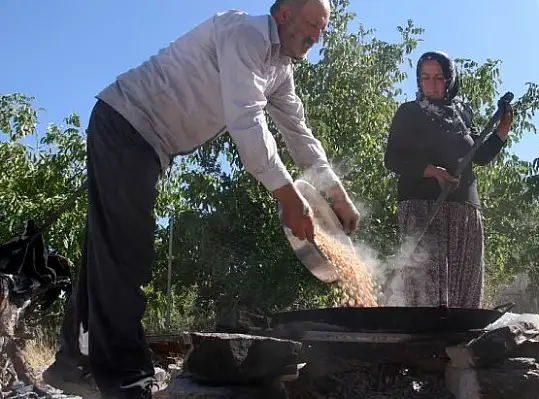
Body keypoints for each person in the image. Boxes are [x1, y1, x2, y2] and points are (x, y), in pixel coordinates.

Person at [41, 0, 360, 397]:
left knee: (106, 254)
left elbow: (300, 134)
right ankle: (125, 379)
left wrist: (338, 196)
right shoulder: (244, 34)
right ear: (284, 15)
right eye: (312, 25)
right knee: (127, 254)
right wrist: (289, 197)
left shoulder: (279, 69)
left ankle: (72, 364)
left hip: (146, 143)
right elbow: (247, 120)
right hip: (127, 124)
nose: (317, 37)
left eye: (322, 29)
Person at [383, 51, 513, 309]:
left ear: (450, 80)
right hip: (423, 207)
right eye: (425, 77)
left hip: (464, 210)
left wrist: (502, 129)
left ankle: (461, 342)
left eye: (439, 77)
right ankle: (423, 343)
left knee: (463, 286)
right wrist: (431, 171)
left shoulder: (462, 113)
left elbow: (481, 155)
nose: (431, 84)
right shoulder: (409, 112)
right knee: (425, 287)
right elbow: (393, 160)